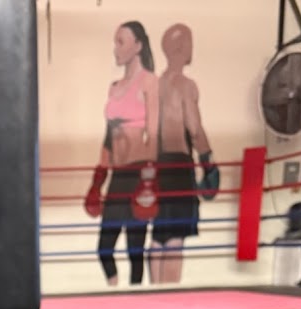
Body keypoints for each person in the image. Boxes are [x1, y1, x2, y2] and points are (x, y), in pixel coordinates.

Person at [84, 21, 159, 287]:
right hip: (117, 175)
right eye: (115, 42)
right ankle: (114, 292)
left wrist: (149, 180)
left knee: (134, 250)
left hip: (139, 173)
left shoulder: (149, 82)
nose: (115, 48)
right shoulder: (114, 87)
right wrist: (97, 181)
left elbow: (153, 134)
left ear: (138, 46)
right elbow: (108, 137)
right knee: (104, 248)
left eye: (121, 42)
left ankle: (134, 299)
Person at [149, 23, 218, 285]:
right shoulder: (185, 85)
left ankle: (154, 292)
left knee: (159, 235)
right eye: (189, 42)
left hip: (158, 164)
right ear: (180, 47)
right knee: (175, 237)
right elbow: (194, 127)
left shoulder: (155, 85)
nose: (192, 48)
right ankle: (170, 296)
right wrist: (207, 160)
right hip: (179, 165)